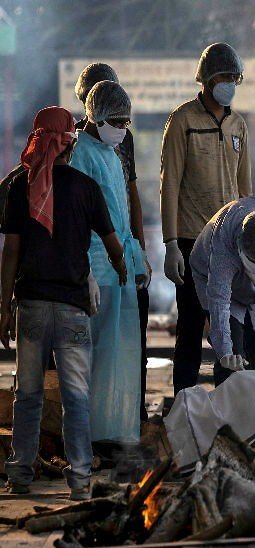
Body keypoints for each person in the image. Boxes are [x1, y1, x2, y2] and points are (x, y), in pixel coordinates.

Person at [0, 107, 126, 499]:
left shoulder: (21, 185)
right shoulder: (84, 187)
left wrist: (4, 307)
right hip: (72, 308)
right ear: (69, 144)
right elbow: (110, 242)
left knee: (29, 395)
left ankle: (20, 474)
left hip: (32, 306)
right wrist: (123, 268)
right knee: (76, 397)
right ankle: (81, 480)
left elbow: (11, 253)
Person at [160, 42, 252, 394]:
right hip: (189, 240)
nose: (229, 83)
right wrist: (170, 245)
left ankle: (228, 410)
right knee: (190, 328)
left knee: (229, 327)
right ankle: (185, 406)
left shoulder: (239, 126)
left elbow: (245, 192)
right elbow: (170, 187)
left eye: (234, 78)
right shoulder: (182, 121)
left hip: (228, 242)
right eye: (224, 77)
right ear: (206, 79)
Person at [74, 63, 151, 422]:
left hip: (117, 265)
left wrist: (137, 253)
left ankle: (113, 427)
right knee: (93, 356)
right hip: (95, 266)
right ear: (96, 114)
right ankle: (90, 433)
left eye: (126, 123)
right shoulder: (80, 154)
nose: (123, 129)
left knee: (117, 355)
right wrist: (85, 270)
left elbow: (122, 210)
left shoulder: (110, 153)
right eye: (117, 122)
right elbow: (78, 220)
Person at [189, 198, 255, 386]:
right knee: (232, 360)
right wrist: (225, 353)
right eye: (252, 262)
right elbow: (219, 302)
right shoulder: (224, 249)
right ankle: (228, 411)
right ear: (240, 247)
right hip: (212, 275)